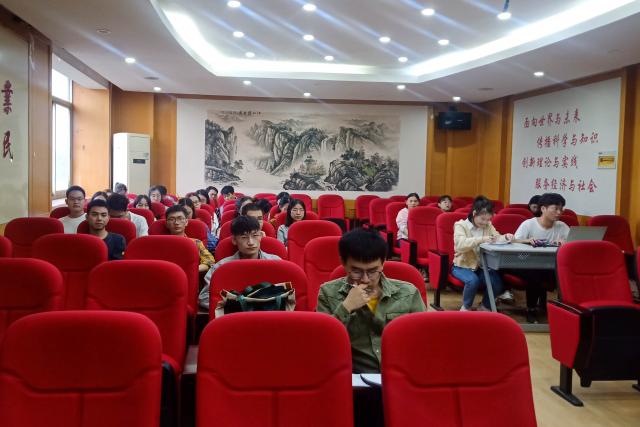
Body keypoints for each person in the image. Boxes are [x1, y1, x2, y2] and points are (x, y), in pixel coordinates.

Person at [317, 228, 426, 373]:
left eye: (373, 271)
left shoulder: (408, 293)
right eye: (356, 271)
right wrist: (346, 307)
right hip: (355, 378)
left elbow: (424, 341)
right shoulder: (328, 293)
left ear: (383, 262)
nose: (365, 279)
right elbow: (322, 346)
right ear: (343, 263)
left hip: (402, 374)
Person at [198, 216, 281, 310]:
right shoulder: (221, 268)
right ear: (234, 240)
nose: (250, 242)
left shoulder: (276, 263)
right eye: (244, 237)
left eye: (255, 236)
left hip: (269, 314)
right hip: (233, 315)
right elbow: (205, 297)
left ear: (261, 236)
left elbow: (288, 294)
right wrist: (237, 307)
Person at [513, 192, 570, 323]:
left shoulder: (562, 226)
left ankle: (564, 309)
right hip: (523, 262)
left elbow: (573, 242)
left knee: (561, 273)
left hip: (548, 264)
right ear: (543, 209)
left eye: (561, 209)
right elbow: (514, 241)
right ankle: (531, 309)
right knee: (534, 273)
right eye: (555, 208)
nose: (559, 212)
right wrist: (527, 240)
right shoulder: (529, 224)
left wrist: (565, 243)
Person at [452, 196, 512, 311]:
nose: (485, 222)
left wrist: (505, 237)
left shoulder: (488, 225)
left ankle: (485, 306)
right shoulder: (461, 225)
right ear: (474, 213)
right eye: (482, 219)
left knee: (496, 282)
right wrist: (482, 239)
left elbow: (496, 237)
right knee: (472, 281)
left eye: (488, 220)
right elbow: (460, 245)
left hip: (481, 266)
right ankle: (466, 307)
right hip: (461, 266)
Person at [164, 205, 215, 273]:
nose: (176, 222)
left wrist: (192, 270)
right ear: (167, 224)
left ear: (186, 222)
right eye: (171, 219)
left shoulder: (196, 242)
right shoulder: (161, 244)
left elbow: (210, 261)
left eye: (180, 218)